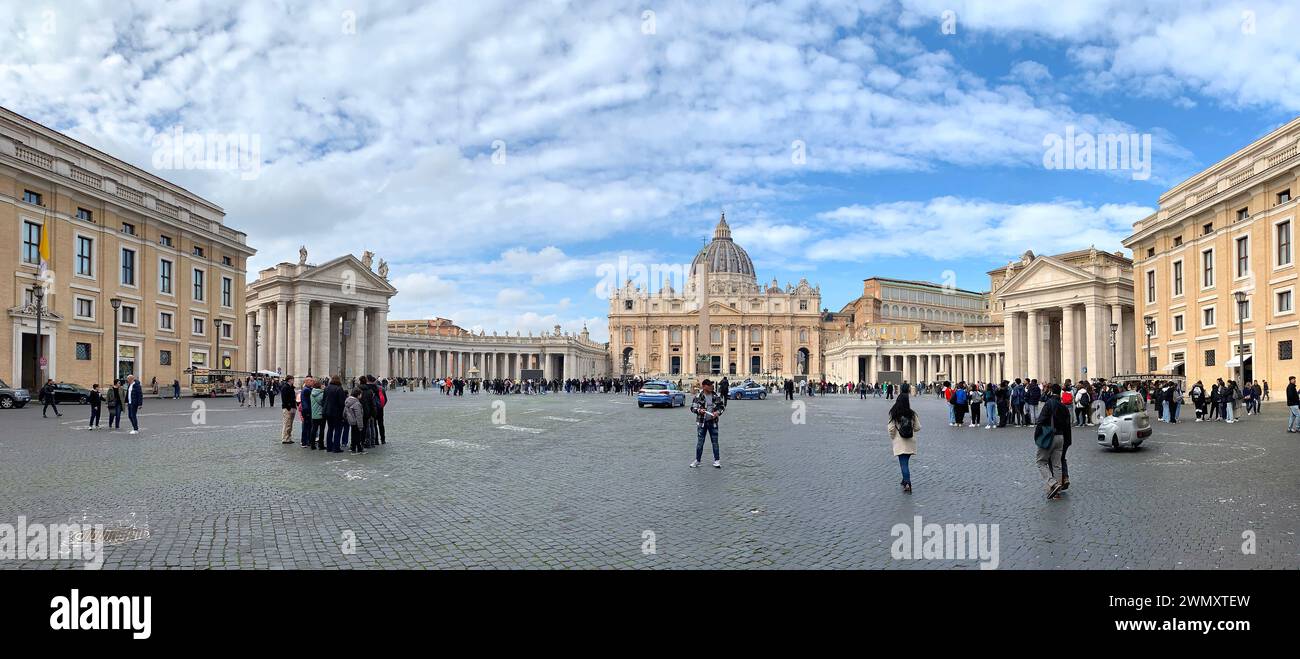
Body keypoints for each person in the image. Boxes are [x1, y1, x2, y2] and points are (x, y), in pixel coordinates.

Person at [1034, 383, 1071, 499]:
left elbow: (1041, 421)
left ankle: (1052, 483)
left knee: (1041, 461)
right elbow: (1067, 426)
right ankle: (1057, 491)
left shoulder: (1049, 404)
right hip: (1061, 437)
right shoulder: (1064, 407)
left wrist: (1037, 436)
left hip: (1049, 436)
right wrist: (1067, 441)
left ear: (1050, 391)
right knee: (1057, 465)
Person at [887, 392, 920, 493]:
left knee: (903, 464)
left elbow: (891, 429)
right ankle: (904, 479)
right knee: (905, 462)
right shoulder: (912, 414)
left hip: (900, 442)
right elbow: (918, 427)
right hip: (910, 441)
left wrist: (893, 438)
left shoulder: (894, 413)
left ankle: (907, 483)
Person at [689, 379, 726, 469]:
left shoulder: (715, 396)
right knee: (700, 443)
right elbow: (693, 408)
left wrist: (718, 413)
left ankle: (717, 460)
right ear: (704, 386)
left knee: (715, 442)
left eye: (711, 385)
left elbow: (722, 407)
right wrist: (699, 410)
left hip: (713, 422)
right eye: (709, 385)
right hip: (702, 422)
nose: (711, 386)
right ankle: (697, 460)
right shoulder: (698, 396)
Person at [324, 376, 348, 453]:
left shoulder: (326, 388)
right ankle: (336, 447)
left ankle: (329, 447)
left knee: (330, 429)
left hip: (328, 412)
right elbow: (342, 403)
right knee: (338, 430)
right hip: (336, 413)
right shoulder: (339, 388)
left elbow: (324, 400)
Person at [344, 388, 366, 454]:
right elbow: (358, 415)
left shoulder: (347, 400)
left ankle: (353, 448)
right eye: (360, 394)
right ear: (358, 395)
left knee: (353, 434)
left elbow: (345, 411)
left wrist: (345, 417)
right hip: (356, 421)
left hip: (351, 420)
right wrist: (360, 426)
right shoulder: (356, 403)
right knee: (358, 435)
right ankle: (359, 449)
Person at [310, 380, 326, 450]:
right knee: (321, 430)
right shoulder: (321, 394)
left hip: (314, 414)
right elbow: (322, 402)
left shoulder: (312, 393)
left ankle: (312, 444)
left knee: (314, 429)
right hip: (320, 414)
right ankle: (321, 445)